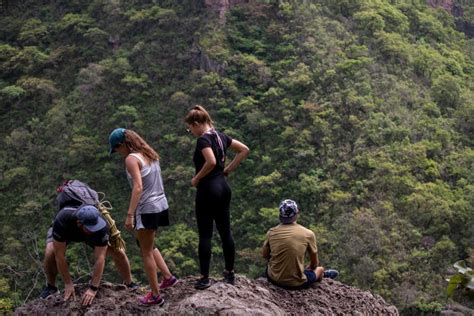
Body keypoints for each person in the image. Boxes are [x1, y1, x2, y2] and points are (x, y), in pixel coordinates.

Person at [109, 128, 178, 306]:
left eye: (117, 149)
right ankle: (168, 278)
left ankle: (155, 296)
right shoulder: (148, 153)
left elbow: (138, 187)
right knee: (146, 243)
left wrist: (130, 215)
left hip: (146, 208)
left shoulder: (131, 159)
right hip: (160, 204)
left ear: (123, 145)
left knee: (145, 251)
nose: (117, 153)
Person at [184, 105, 250, 289]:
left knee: (205, 234)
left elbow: (211, 161)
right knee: (225, 231)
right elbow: (244, 149)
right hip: (223, 187)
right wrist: (228, 169)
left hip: (208, 189)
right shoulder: (221, 137)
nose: (190, 131)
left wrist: (196, 178)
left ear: (197, 123)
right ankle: (229, 274)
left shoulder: (203, 140)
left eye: (190, 128)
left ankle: (204, 278)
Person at [41, 203, 138, 306]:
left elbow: (100, 258)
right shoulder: (62, 220)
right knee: (50, 253)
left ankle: (129, 283)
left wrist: (93, 288)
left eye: (95, 226)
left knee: (119, 252)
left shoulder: (101, 226)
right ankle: (51, 287)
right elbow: (59, 256)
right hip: (67, 231)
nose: (93, 229)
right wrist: (68, 283)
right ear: (79, 223)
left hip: (88, 235)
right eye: (90, 228)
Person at [262, 199, 339, 289]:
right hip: (296, 284)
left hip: (273, 279)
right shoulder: (308, 234)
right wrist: (308, 268)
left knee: (270, 268)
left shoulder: (271, 232)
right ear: (296, 213)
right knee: (319, 268)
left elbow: (265, 256)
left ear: (280, 215)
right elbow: (314, 264)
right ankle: (323, 274)